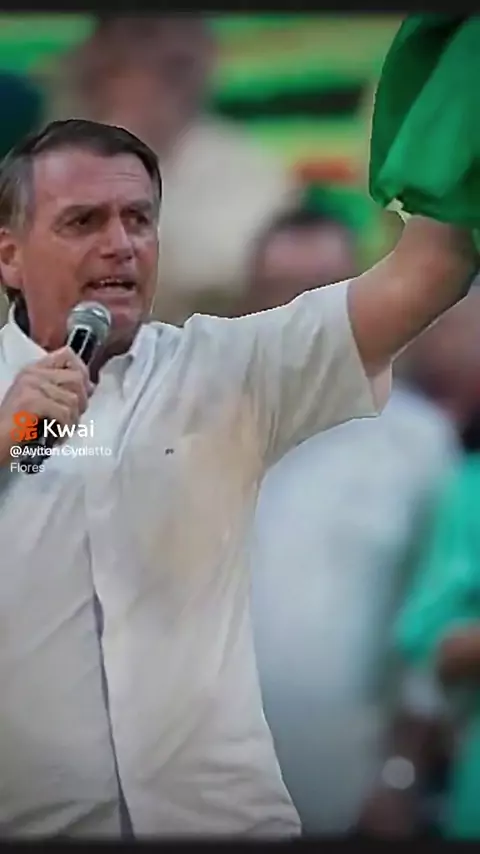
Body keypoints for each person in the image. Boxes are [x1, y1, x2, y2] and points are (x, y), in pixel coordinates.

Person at [0, 118, 477, 838]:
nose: (121, 243)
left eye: (139, 219)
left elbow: (430, 271)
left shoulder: (226, 370)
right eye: (83, 221)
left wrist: (460, 105)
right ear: (10, 255)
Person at [248, 212, 471, 836]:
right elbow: (37, 455)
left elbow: (436, 625)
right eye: (278, 290)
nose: (297, 312)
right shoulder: (183, 422)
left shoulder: (420, 443)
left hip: (353, 802)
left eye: (319, 291)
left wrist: (401, 776)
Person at [47, 15, 297, 324]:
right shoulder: (47, 164)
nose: (164, 56)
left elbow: (229, 272)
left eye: (177, 63)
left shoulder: (248, 167)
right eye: (144, 38)